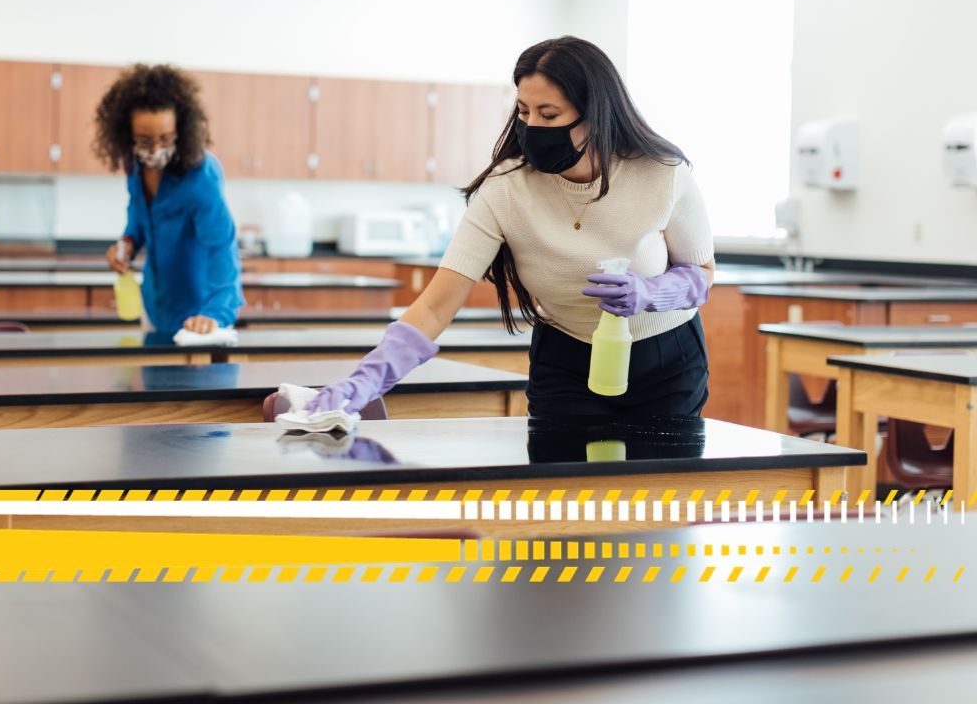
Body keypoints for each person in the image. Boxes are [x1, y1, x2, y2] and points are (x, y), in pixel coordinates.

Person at [276, 36, 714, 433]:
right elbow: (435, 304)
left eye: (550, 114)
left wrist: (654, 294)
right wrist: (363, 383)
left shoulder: (661, 172)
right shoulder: (506, 188)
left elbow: (702, 272)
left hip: (666, 358)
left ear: (595, 114)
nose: (533, 126)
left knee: (655, 493)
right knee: (564, 496)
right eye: (524, 111)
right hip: (566, 356)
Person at [96, 63, 244, 337]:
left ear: (181, 129)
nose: (154, 149)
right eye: (144, 139)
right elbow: (139, 221)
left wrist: (216, 313)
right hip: (154, 307)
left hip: (199, 319)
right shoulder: (135, 168)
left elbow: (221, 247)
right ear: (126, 135)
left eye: (165, 138)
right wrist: (127, 244)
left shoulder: (201, 177)